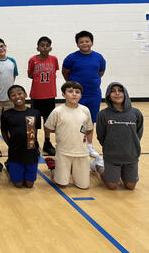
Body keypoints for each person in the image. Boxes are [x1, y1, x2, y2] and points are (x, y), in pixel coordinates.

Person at [92, 82, 144, 190]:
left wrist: (130, 146)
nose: (117, 93)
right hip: (112, 156)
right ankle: (98, 166)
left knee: (130, 186)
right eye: (113, 91)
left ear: (125, 93)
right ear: (108, 96)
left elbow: (138, 133)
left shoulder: (136, 113)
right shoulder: (103, 114)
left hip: (131, 156)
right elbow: (101, 135)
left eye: (120, 90)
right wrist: (110, 147)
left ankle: (119, 173)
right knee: (112, 186)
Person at [62, 30, 106, 158]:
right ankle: (75, 144)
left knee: (90, 121)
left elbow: (101, 72)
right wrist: (73, 89)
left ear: (91, 42)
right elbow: (66, 73)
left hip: (93, 94)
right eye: (81, 42)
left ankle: (89, 145)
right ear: (77, 44)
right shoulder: (71, 58)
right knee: (75, 120)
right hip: (76, 96)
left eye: (87, 41)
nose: (84, 44)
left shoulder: (99, 57)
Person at [44, 81, 93, 189]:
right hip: (63, 152)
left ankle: (71, 171)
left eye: (77, 92)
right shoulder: (58, 111)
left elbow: (88, 129)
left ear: (81, 95)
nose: (74, 94)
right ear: (63, 94)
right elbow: (48, 128)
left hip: (82, 152)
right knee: (62, 184)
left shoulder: (85, 110)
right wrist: (62, 131)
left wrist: (79, 133)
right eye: (70, 91)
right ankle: (53, 166)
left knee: (83, 186)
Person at [1, 86, 41, 188]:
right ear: (10, 99)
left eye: (19, 93)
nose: (17, 96)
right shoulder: (6, 114)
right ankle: (9, 165)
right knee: (18, 185)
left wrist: (34, 145)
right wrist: (11, 144)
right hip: (15, 153)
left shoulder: (35, 113)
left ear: (25, 94)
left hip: (31, 153)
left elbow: (35, 131)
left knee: (29, 185)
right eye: (13, 95)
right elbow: (4, 131)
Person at [27, 36, 59, 156]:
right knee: (32, 121)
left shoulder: (54, 59)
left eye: (47, 45)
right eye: (42, 45)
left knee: (48, 120)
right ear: (38, 47)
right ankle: (32, 143)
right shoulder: (33, 60)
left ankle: (47, 142)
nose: (44, 47)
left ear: (50, 48)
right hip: (36, 95)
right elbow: (30, 74)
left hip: (50, 95)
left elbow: (54, 72)